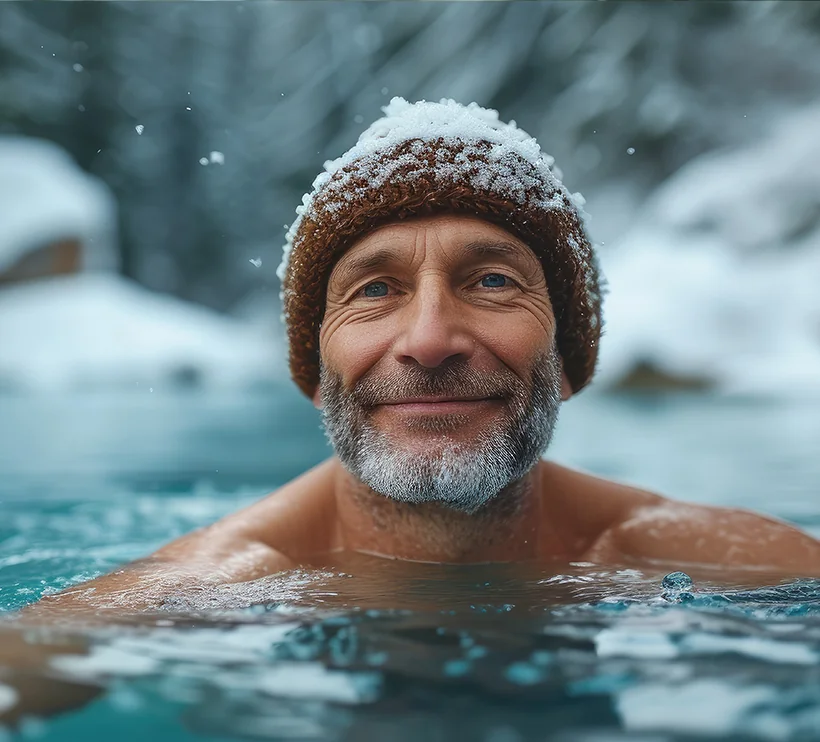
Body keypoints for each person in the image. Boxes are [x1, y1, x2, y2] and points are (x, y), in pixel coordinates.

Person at [31, 98, 820, 614]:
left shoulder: (745, 567)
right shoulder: (180, 601)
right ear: (315, 374)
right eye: (374, 290)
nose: (430, 339)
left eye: (492, 280)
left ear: (570, 360)